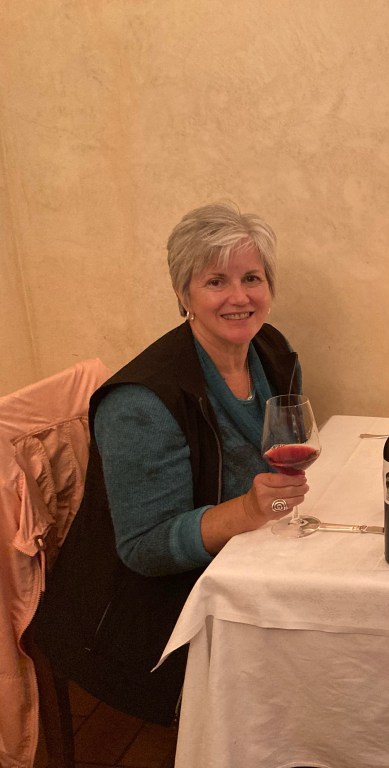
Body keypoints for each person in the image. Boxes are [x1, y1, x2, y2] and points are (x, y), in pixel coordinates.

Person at [32, 202, 309, 724]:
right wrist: (248, 511)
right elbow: (144, 547)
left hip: (244, 566)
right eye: (215, 281)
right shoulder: (141, 402)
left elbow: (286, 448)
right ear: (183, 294)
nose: (239, 297)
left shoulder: (272, 351)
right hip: (151, 614)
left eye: (251, 278)